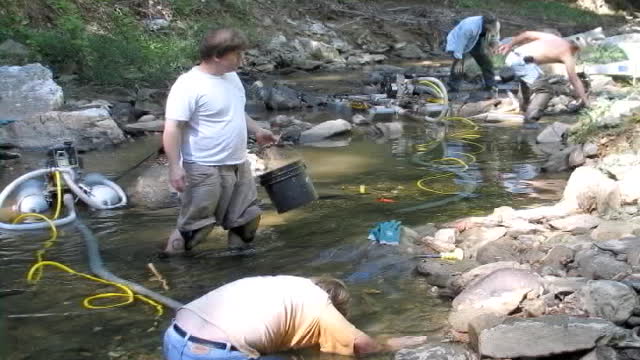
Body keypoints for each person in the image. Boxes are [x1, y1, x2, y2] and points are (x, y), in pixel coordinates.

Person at [161, 28, 277, 256]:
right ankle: (171, 269)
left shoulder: (231, 78)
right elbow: (172, 128)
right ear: (217, 56)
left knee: (247, 221)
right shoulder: (188, 85)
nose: (242, 60)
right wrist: (175, 167)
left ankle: (237, 270)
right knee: (196, 229)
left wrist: (258, 130)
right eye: (237, 55)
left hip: (238, 163)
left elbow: (235, 111)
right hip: (203, 167)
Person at [163, 275, 427, 360]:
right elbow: (364, 345)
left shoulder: (285, 284)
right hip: (218, 352)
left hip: (175, 336)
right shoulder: (320, 305)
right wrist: (394, 344)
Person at [497, 30, 589, 127]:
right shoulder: (567, 55)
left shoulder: (553, 38)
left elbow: (527, 34)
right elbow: (574, 80)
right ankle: (530, 121)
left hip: (513, 57)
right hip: (523, 63)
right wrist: (585, 101)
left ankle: (524, 109)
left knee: (529, 82)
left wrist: (509, 45)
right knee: (545, 90)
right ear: (576, 48)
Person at [445, 15, 501, 92]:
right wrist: (458, 60)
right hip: (459, 42)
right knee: (459, 67)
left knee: (487, 62)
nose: (494, 30)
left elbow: (495, 35)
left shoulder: (495, 24)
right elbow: (460, 44)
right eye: (491, 29)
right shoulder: (469, 27)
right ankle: (453, 87)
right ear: (486, 25)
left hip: (476, 41)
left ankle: (491, 85)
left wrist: (494, 46)